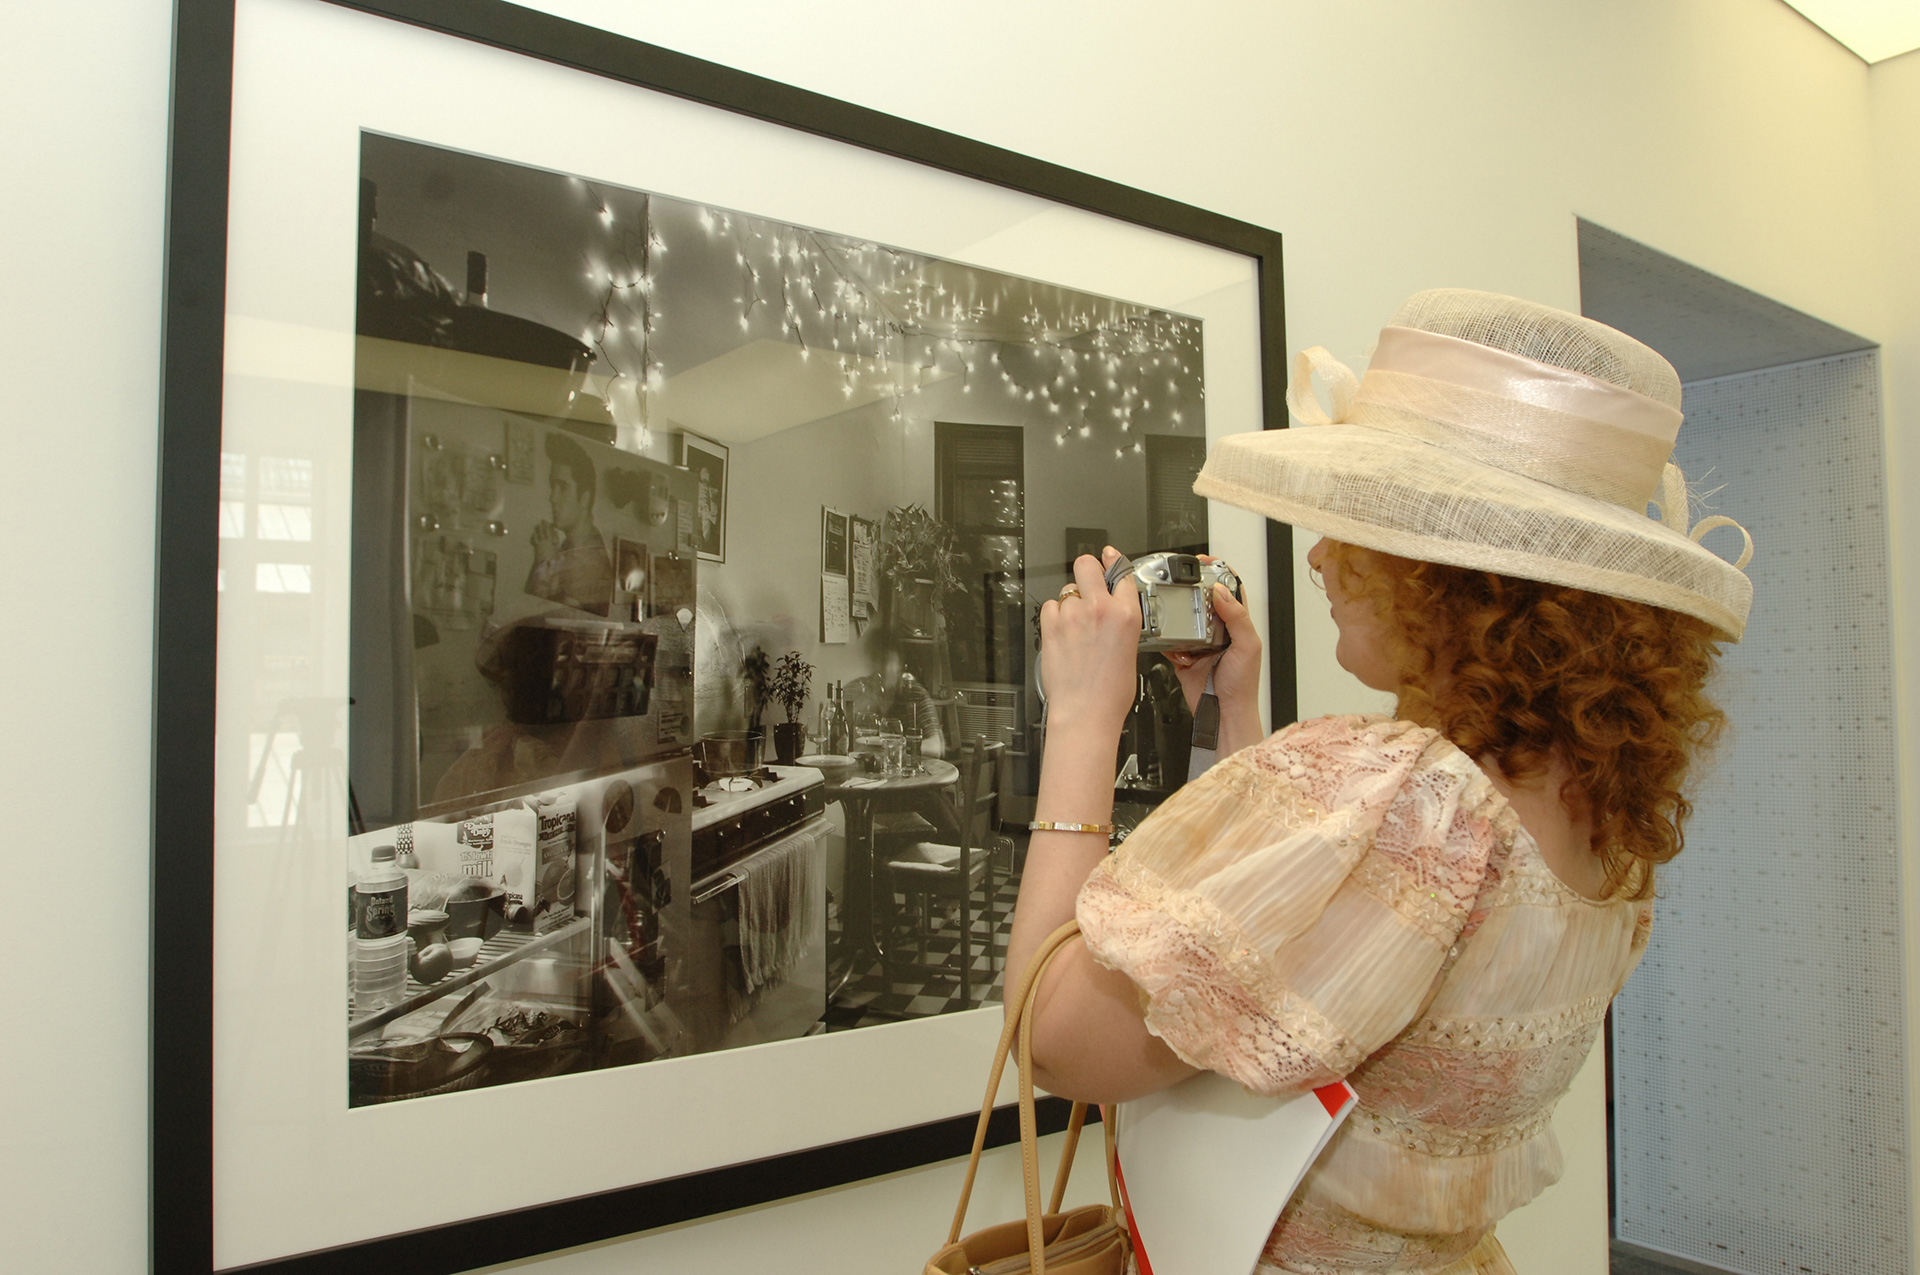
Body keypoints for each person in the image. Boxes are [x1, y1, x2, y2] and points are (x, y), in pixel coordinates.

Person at [1007, 289, 1753, 1274]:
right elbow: (1303, 957)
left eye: (1367, 525)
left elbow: (1053, 1038)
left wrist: (1080, 719)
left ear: (1462, 578)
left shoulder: (1410, 799)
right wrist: (1232, 715)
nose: (1321, 555)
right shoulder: (1602, 826)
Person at [525, 432, 614, 617]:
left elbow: (543, 621)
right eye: (552, 486)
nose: (553, 497)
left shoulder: (589, 561)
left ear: (585, 497)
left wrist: (543, 562)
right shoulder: (572, 547)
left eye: (563, 487)